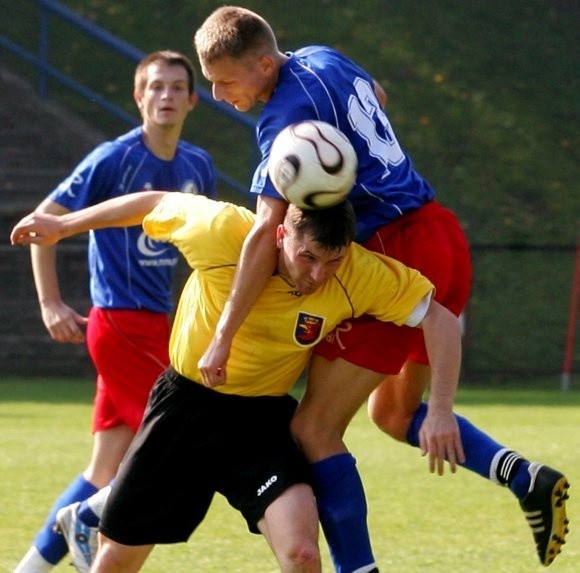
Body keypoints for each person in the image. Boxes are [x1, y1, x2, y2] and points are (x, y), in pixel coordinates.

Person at [192, 6, 570, 571]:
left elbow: (264, 236)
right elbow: (380, 96)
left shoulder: (285, 124)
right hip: (440, 231)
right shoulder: (322, 56)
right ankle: (523, 476)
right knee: (393, 415)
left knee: (313, 428)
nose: (220, 95)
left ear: (264, 65)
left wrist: (223, 333)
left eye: (225, 82)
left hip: (396, 250)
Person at [10, 190, 456, 573]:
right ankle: (94, 516)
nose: (319, 275)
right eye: (308, 258)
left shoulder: (359, 274)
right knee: (116, 563)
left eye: (332, 261)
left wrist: (438, 409)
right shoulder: (224, 231)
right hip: (183, 410)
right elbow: (154, 201)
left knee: (302, 554)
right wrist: (64, 224)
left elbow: (440, 319)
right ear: (281, 234)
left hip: (260, 423)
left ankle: (94, 510)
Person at [13, 50, 216, 573]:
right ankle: (90, 518)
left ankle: (28, 568)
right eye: (155, 86)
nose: (166, 95)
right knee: (184, 444)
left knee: (105, 467)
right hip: (122, 323)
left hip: (163, 327)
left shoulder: (198, 165)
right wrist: (50, 303)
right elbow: (43, 223)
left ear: (193, 100)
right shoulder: (113, 158)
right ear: (138, 97)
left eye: (176, 87)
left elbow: (205, 252)